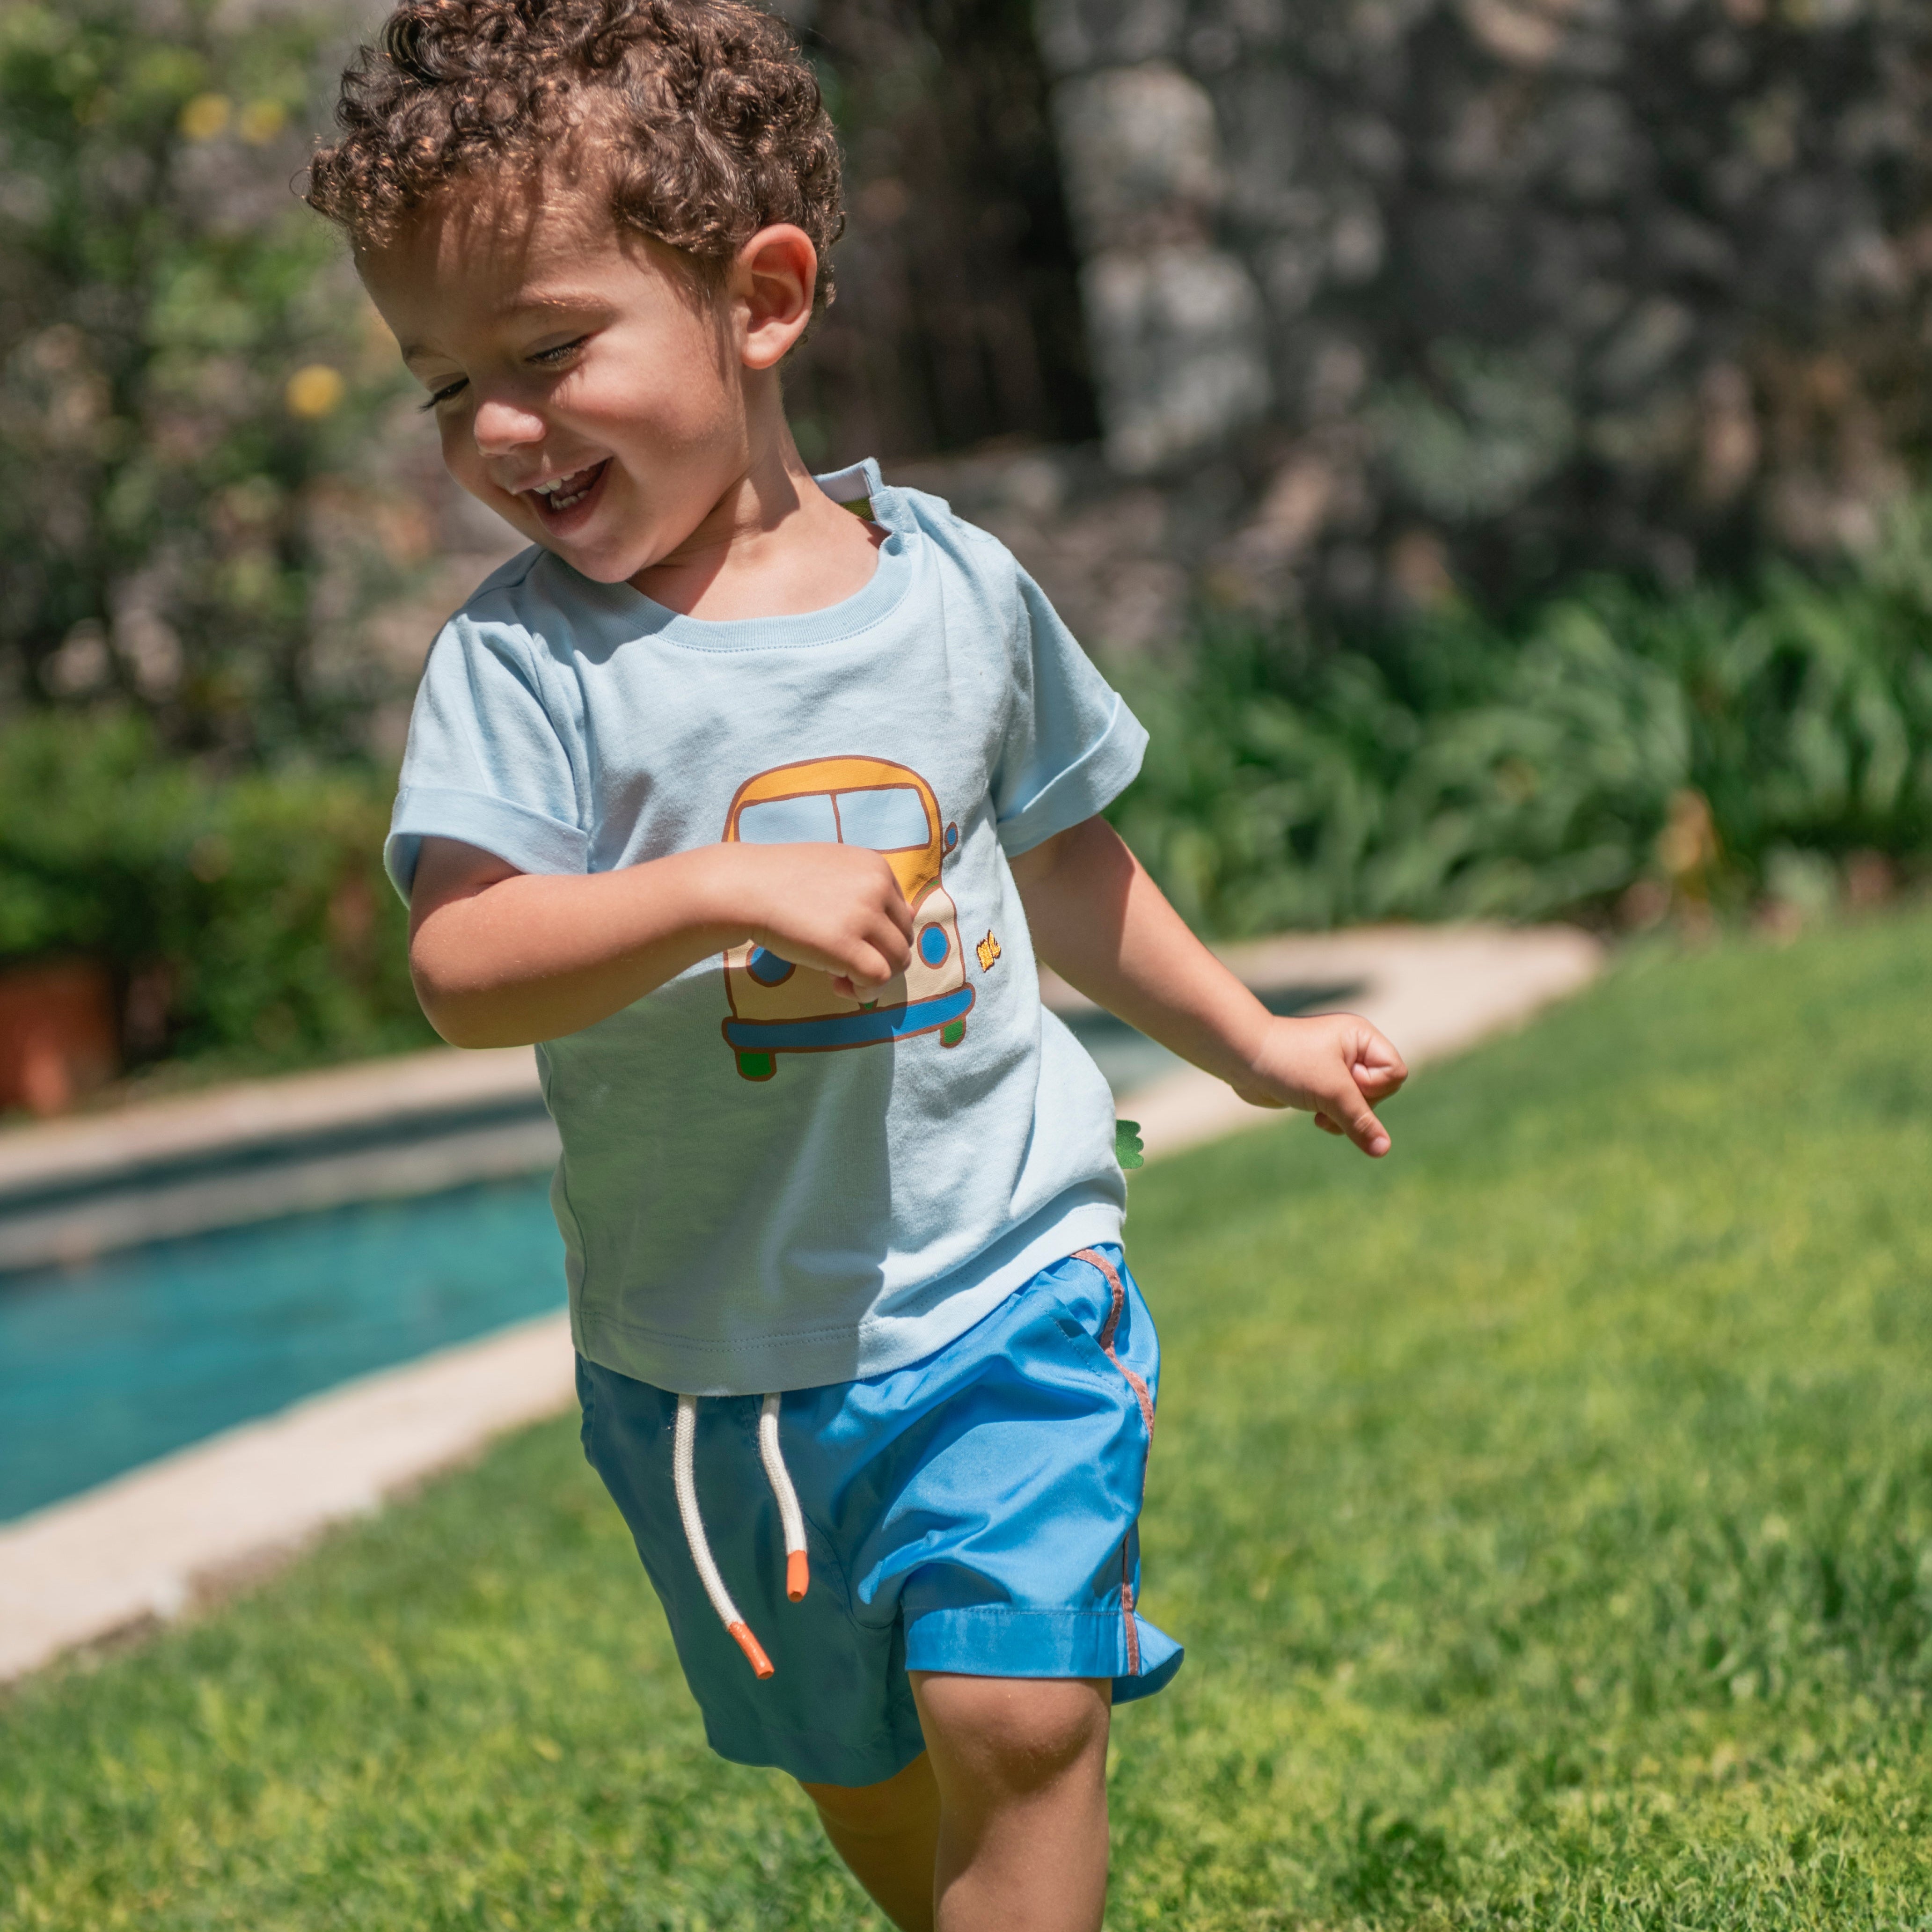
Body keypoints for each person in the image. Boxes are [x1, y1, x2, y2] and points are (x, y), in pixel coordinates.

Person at [307, 4, 1407, 1926]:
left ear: (763, 298)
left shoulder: (961, 590)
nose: (495, 428)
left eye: (548, 351)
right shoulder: (525, 669)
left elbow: (1066, 863)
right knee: (866, 1765)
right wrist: (715, 888)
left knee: (1016, 1713)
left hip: (1004, 1280)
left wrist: (1253, 1047)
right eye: (441, 385)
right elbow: (467, 964)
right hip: (716, 1364)